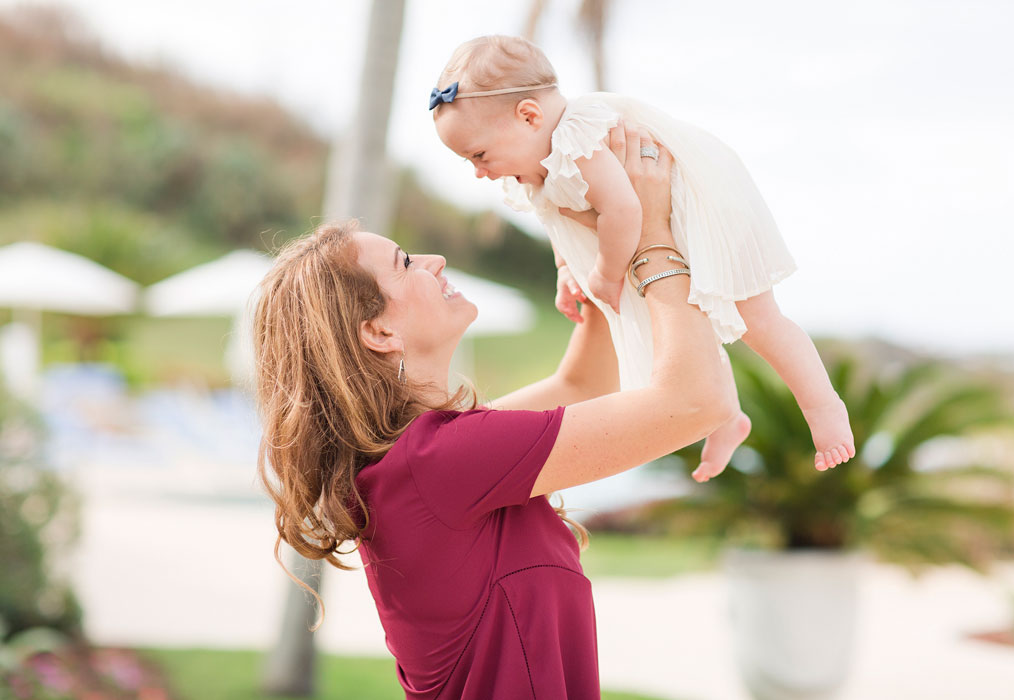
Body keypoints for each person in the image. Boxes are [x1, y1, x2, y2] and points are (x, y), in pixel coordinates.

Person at [252, 127, 734, 699]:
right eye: (406, 263)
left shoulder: (424, 459)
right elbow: (696, 403)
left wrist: (594, 265)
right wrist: (653, 234)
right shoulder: (439, 462)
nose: (435, 260)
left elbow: (581, 385)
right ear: (379, 331)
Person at [430, 34, 855, 475]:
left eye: (479, 155)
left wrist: (607, 274)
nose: (479, 172)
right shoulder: (533, 160)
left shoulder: (582, 137)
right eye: (470, 162)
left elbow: (625, 207)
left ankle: (823, 407)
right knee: (680, 327)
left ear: (530, 115)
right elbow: (553, 214)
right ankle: (727, 418)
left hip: (698, 209)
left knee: (758, 318)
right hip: (650, 227)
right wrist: (564, 269)